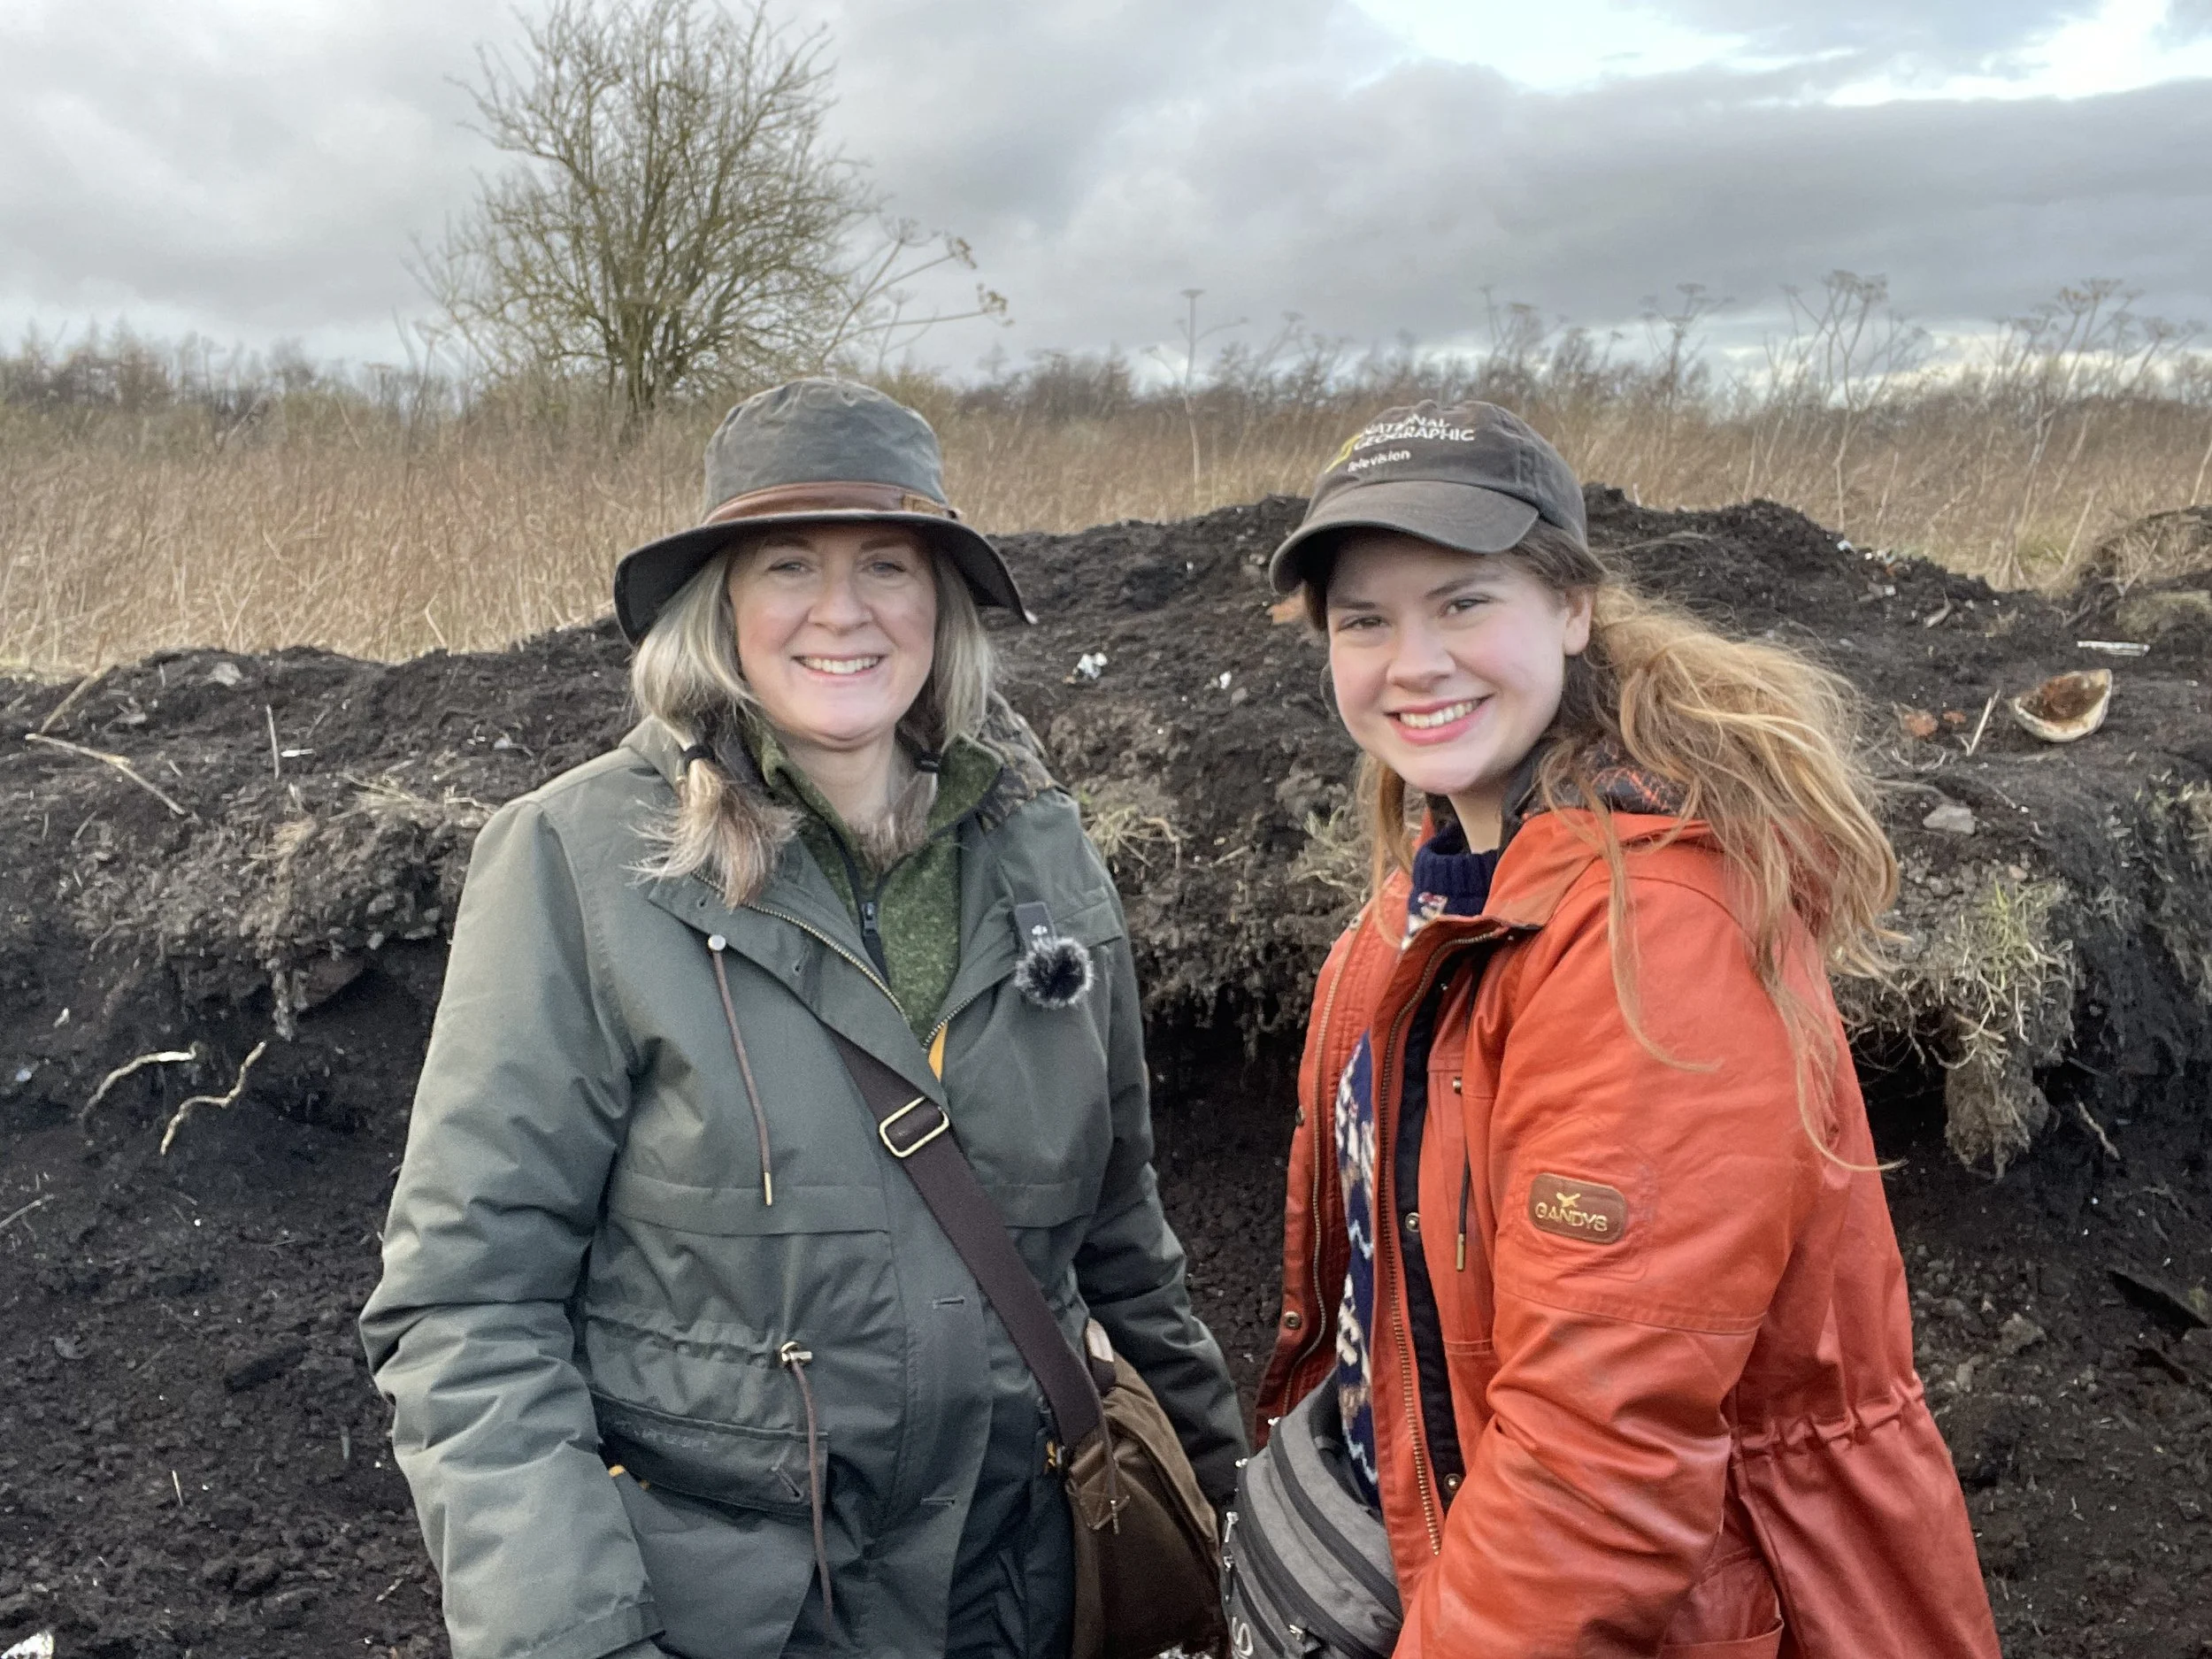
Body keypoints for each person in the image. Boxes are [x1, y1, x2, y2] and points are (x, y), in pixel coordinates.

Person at [362, 380, 1245, 1659]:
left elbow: (1123, 1240)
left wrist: (1235, 1516)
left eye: (887, 563)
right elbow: (465, 1307)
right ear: (719, 605)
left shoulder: (1046, 855)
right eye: (790, 564)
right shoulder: (575, 861)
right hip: (734, 1622)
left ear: (940, 602)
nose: (843, 611)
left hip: (1023, 1603)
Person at [1252, 402, 2001, 1656]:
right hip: (1459, 1562)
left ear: (1573, 607)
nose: (1411, 661)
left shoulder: (1651, 936)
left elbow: (1597, 1465)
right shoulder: (1429, 899)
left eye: (1463, 602)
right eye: (1363, 619)